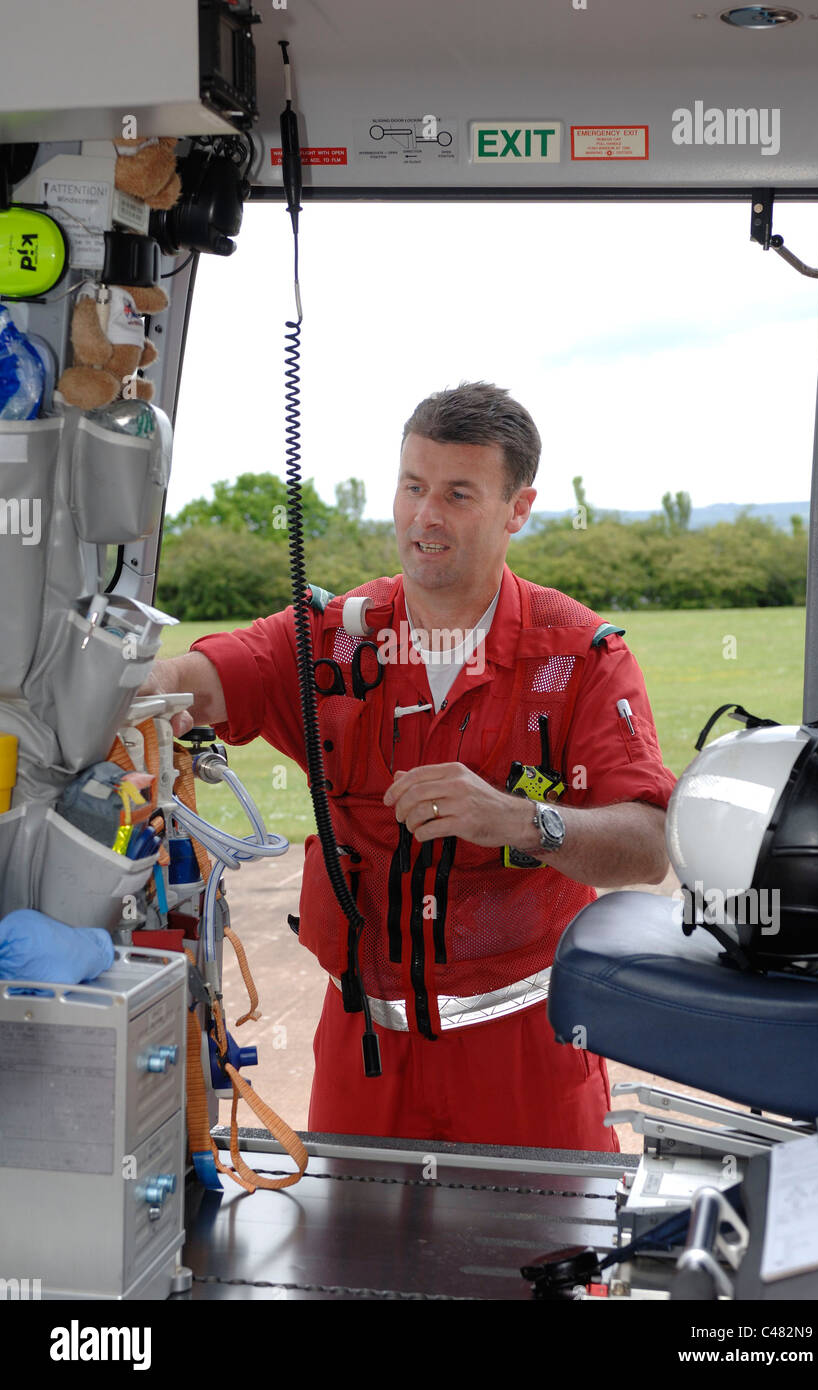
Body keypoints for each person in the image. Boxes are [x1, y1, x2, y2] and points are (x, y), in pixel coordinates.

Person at [145, 382, 676, 1151]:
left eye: (458, 493)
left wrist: (520, 820)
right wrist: (141, 687)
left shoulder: (579, 656)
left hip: (526, 1052)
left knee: (544, 1266)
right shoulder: (330, 638)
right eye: (412, 486)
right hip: (362, 1052)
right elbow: (187, 680)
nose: (425, 516)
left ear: (516, 509)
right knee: (351, 1268)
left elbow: (647, 846)